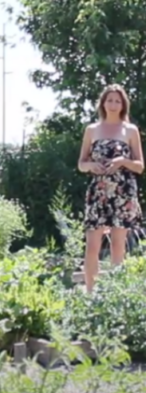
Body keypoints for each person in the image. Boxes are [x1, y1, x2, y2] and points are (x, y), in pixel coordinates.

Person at [78, 84, 144, 292]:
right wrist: (91, 166)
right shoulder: (92, 130)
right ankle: (90, 294)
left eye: (117, 101)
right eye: (110, 100)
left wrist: (122, 161)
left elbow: (140, 166)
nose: (113, 104)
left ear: (123, 105)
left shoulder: (130, 130)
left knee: (118, 246)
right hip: (98, 192)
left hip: (123, 192)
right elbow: (81, 164)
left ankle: (115, 294)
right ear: (103, 103)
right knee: (92, 246)